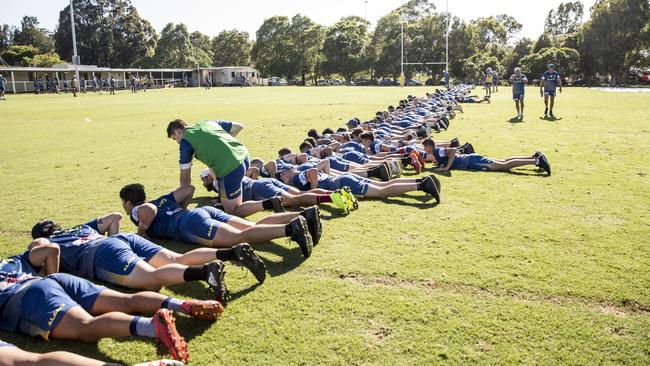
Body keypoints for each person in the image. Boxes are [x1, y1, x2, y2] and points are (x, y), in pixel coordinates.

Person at [0, 247, 230, 362]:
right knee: (126, 300)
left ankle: (151, 326)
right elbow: (49, 248)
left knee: (86, 328)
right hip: (54, 282)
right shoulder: (9, 262)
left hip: (29, 297)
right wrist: (51, 280)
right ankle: (183, 304)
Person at [27, 214, 262, 302]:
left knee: (150, 280)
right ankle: (233, 252)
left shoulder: (50, 243)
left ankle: (204, 272)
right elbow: (114, 217)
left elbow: (46, 258)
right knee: (177, 258)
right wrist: (115, 241)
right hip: (123, 240)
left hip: (103, 253)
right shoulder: (79, 226)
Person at [119, 183, 317, 257]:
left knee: (238, 238)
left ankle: (291, 229)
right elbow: (188, 189)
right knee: (251, 227)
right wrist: (184, 207)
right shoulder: (161, 200)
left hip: (189, 224)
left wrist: (141, 231)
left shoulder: (137, 211)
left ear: (128, 203)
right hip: (199, 213)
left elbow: (147, 209)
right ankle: (303, 215)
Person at [167, 119, 265, 217]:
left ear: (177, 132)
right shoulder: (207, 123)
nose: (177, 143)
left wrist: (182, 204)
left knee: (233, 211)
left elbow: (185, 178)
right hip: (244, 156)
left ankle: (268, 203)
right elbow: (238, 126)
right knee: (222, 188)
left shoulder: (185, 142)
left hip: (229, 168)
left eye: (174, 138)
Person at [277, 167, 441, 204]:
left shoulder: (298, 177)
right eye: (281, 177)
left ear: (291, 170)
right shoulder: (296, 181)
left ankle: (423, 185)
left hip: (340, 182)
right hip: (344, 179)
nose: (283, 177)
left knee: (383, 192)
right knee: (386, 184)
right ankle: (420, 181)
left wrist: (313, 191)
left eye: (284, 173)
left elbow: (312, 171)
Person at [421, 138, 551, 176]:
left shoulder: (438, 151)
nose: (424, 150)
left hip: (473, 161)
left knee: (503, 166)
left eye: (424, 147)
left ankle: (537, 161)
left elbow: (454, 150)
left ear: (429, 146)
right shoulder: (437, 154)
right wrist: (441, 165)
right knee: (504, 161)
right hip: (471, 159)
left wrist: (447, 167)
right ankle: (533, 158)